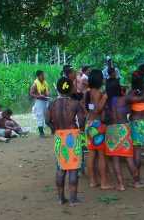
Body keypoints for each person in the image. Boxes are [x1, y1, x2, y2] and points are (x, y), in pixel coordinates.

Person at [46, 77, 86, 206]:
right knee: (73, 169)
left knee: (60, 168)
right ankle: (73, 199)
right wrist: (81, 130)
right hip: (72, 136)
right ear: (71, 89)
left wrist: (54, 129)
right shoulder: (75, 103)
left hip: (59, 135)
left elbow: (47, 120)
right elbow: (82, 121)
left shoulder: (52, 104)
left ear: (58, 89)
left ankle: (60, 198)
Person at [104, 77, 144, 190]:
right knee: (128, 157)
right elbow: (140, 99)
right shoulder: (124, 99)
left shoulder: (105, 101)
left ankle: (121, 184)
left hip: (111, 129)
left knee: (115, 159)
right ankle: (136, 182)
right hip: (123, 129)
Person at [84, 69, 112, 190]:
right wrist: (105, 97)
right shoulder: (98, 93)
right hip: (97, 124)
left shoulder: (87, 92)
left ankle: (92, 181)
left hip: (89, 124)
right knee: (101, 155)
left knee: (91, 154)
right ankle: (104, 183)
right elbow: (97, 109)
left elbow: (88, 109)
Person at [30, 70, 50, 137]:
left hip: (46, 101)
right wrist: (39, 96)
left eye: (44, 75)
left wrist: (47, 94)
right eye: (42, 75)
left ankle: (49, 129)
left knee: (47, 115)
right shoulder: (35, 84)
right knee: (40, 116)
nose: (44, 76)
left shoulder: (45, 83)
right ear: (38, 76)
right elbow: (31, 93)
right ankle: (41, 133)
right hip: (39, 102)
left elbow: (47, 90)